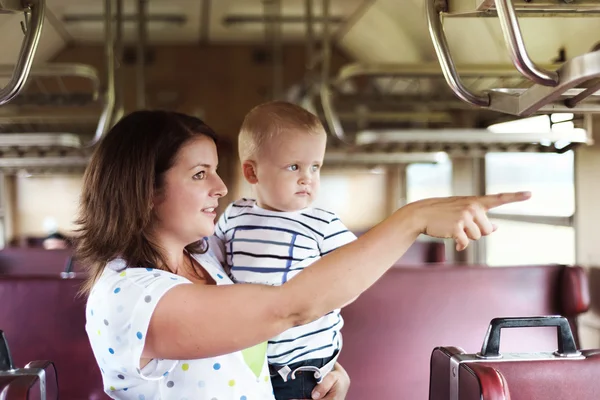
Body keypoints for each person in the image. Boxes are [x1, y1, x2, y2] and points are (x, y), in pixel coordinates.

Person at [77, 110, 530, 400]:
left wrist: (319, 369)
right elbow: (287, 307)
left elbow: (258, 343)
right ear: (145, 189)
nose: (219, 188)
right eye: (200, 175)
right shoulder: (130, 295)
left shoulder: (206, 258)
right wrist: (412, 218)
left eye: (217, 172)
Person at [212, 101, 356, 399]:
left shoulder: (323, 223)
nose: (307, 177)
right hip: (246, 359)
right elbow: (214, 264)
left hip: (302, 368)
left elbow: (356, 272)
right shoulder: (235, 215)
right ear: (252, 173)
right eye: (294, 167)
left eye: (315, 167)